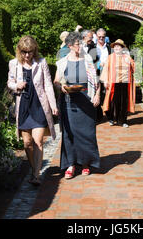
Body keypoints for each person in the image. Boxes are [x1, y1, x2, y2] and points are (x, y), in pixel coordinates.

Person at [7, 35, 58, 186]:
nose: (27, 55)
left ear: (34, 50)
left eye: (30, 52)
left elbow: (48, 85)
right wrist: (16, 85)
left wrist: (53, 105)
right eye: (24, 52)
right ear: (19, 51)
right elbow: (9, 81)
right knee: (27, 143)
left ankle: (36, 175)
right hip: (23, 106)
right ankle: (35, 168)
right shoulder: (13, 64)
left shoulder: (41, 63)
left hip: (39, 106)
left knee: (37, 142)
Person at [54, 31, 101, 179]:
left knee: (87, 134)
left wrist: (98, 95)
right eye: (77, 44)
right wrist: (61, 87)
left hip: (87, 102)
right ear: (69, 46)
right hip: (69, 102)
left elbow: (96, 81)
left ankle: (86, 163)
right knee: (69, 134)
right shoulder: (62, 62)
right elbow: (56, 81)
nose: (80, 46)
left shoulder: (88, 59)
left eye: (81, 43)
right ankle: (71, 164)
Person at [101, 39, 136, 128]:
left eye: (118, 46)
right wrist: (105, 80)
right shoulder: (110, 57)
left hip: (125, 82)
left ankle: (123, 121)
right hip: (113, 82)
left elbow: (134, 68)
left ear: (122, 48)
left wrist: (131, 64)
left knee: (124, 102)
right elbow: (105, 69)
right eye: (115, 46)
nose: (116, 48)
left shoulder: (127, 57)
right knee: (112, 101)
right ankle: (111, 118)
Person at [94, 28, 112, 122]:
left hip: (107, 73)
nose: (101, 38)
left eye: (103, 36)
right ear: (96, 36)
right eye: (99, 36)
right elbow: (90, 60)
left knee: (107, 93)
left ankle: (109, 115)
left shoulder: (109, 47)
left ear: (105, 37)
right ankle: (98, 115)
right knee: (96, 93)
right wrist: (98, 64)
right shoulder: (92, 47)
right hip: (96, 73)